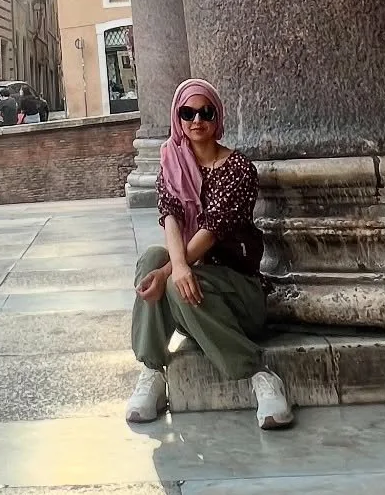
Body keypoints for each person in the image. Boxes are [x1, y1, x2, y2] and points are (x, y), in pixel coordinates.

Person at [126, 77, 294, 431]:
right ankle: (153, 371)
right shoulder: (172, 163)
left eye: (206, 112)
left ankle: (259, 374)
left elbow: (212, 231)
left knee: (171, 280)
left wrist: (174, 272)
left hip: (239, 293)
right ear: (178, 118)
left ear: (218, 118)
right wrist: (169, 269)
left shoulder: (239, 170)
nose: (197, 120)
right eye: (188, 113)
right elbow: (170, 217)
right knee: (151, 263)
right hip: (197, 295)